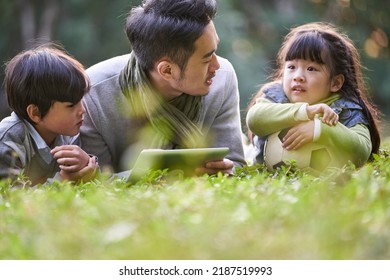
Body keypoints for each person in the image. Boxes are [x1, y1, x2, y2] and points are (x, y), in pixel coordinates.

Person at [80, 0, 246, 177]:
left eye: (215, 51)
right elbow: (93, 180)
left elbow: (235, 164)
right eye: (206, 59)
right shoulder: (94, 94)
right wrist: (174, 174)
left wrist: (225, 169)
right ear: (167, 70)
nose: (217, 65)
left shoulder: (222, 79)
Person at [246, 22, 381, 169]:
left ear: (335, 83)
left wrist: (320, 129)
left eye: (311, 69)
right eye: (291, 67)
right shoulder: (276, 96)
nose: (298, 76)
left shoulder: (346, 109)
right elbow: (254, 119)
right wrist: (305, 111)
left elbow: (363, 150)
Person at [0, 44, 99, 186]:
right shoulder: (8, 142)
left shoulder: (62, 132)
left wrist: (86, 165)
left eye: (81, 101)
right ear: (35, 113)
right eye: (71, 105)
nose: (82, 110)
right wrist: (63, 181)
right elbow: (13, 201)